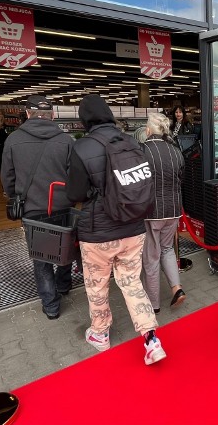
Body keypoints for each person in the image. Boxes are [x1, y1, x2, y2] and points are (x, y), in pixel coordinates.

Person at [66, 94, 166, 365]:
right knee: (132, 283)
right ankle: (151, 339)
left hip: (98, 232)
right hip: (133, 227)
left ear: (84, 118)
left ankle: (100, 334)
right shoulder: (131, 141)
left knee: (97, 286)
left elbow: (73, 193)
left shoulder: (82, 147)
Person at [1, 95, 74, 320]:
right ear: (52, 115)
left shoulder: (13, 140)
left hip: (33, 208)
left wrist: (16, 196)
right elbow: (74, 175)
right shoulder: (67, 140)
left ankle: (51, 305)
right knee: (66, 248)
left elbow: (8, 177)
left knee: (41, 258)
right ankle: (63, 285)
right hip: (63, 205)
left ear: (27, 113)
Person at [139, 113, 186, 313]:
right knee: (167, 249)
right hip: (173, 209)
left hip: (151, 211)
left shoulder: (142, 151)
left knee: (151, 256)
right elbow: (181, 178)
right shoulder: (176, 151)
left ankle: (154, 304)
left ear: (148, 130)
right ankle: (177, 288)